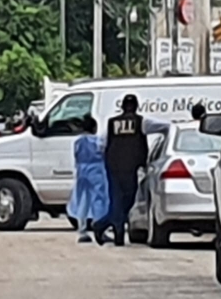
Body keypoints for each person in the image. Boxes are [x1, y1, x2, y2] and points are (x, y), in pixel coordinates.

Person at [101, 94, 170, 246]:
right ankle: (116, 231)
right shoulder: (142, 122)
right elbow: (166, 126)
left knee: (120, 199)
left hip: (115, 166)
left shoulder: (112, 123)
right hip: (131, 167)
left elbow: (102, 144)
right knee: (127, 199)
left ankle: (102, 224)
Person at [67, 115, 110, 243]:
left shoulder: (78, 141)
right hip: (96, 171)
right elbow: (103, 153)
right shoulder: (98, 141)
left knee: (83, 201)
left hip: (81, 171)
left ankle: (82, 230)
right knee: (99, 199)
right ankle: (100, 227)